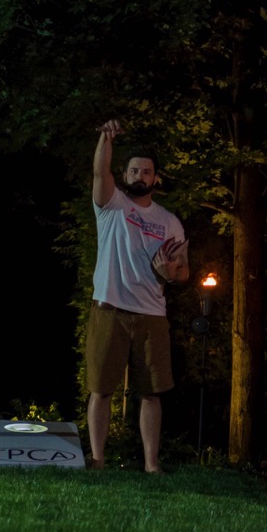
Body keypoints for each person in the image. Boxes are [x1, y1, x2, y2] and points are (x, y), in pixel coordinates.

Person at [86, 119, 189, 473]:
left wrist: (171, 273)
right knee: (101, 389)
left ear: (155, 178)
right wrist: (106, 137)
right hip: (109, 309)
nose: (140, 176)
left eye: (146, 171)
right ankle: (97, 459)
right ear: (124, 174)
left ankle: (151, 464)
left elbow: (184, 271)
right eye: (133, 170)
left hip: (151, 314)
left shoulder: (170, 221)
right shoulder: (110, 204)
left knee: (151, 393)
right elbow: (99, 172)